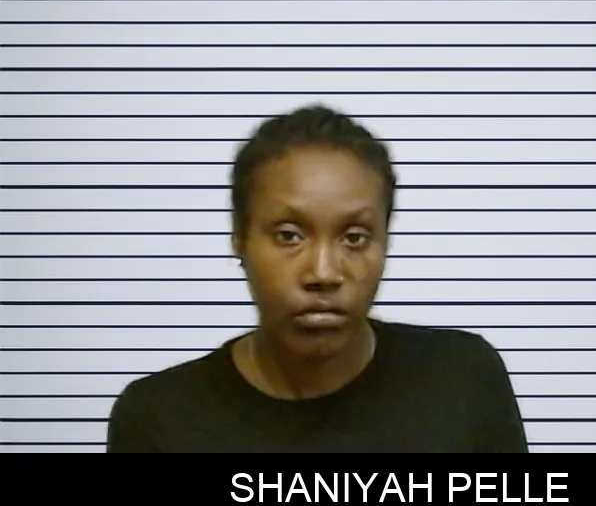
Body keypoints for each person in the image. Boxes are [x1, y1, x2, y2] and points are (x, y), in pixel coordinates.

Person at [106, 105, 528, 453]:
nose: (323, 273)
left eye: (354, 238)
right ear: (239, 237)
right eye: (289, 236)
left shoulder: (462, 380)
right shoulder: (158, 420)